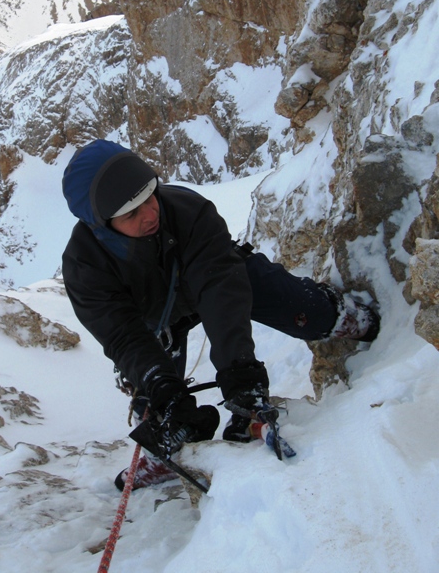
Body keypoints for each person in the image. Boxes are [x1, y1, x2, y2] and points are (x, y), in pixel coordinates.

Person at [61, 139, 380, 490]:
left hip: (221, 278)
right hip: (155, 325)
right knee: (159, 402)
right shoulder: (84, 266)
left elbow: (219, 286)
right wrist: (163, 385)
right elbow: (123, 334)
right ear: (101, 223)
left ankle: (344, 316)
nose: (151, 215)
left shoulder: (186, 210)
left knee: (302, 310)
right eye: (132, 214)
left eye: (150, 196)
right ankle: (167, 453)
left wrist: (238, 369)